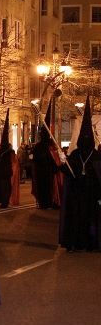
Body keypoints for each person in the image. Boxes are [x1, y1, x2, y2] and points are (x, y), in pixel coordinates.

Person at [57, 96, 100, 252]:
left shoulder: (82, 154)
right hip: (85, 194)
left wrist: (64, 163)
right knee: (85, 218)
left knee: (81, 217)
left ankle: (80, 242)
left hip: (84, 194)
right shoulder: (89, 155)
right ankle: (85, 242)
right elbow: (67, 171)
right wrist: (63, 161)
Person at [32, 98, 62, 209]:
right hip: (46, 172)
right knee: (46, 188)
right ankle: (46, 202)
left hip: (44, 172)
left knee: (44, 188)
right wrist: (55, 167)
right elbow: (51, 159)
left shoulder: (42, 146)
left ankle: (45, 203)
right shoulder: (47, 146)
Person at [0, 110, 16, 208]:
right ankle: (4, 202)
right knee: (5, 188)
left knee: (4, 188)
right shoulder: (6, 152)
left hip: (3, 174)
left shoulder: (4, 152)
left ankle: (4, 202)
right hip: (4, 174)